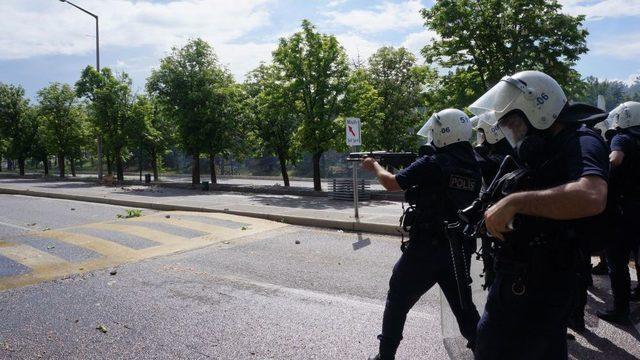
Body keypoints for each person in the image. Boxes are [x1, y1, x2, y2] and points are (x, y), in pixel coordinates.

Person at [467, 70, 609, 359]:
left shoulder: (581, 141)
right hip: (521, 272)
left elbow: (592, 195)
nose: (513, 133)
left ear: (538, 110)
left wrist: (516, 202)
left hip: (546, 277)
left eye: (513, 123)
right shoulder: (544, 149)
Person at [362, 108, 482, 360]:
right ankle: (486, 351)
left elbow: (391, 183)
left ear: (444, 132)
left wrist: (374, 166)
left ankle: (385, 356)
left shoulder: (433, 162)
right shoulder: (474, 164)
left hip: (426, 249)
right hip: (458, 249)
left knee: (398, 299)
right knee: (464, 308)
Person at [598, 101, 640, 323]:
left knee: (617, 260)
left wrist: (598, 174)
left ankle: (621, 309)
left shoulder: (621, 137)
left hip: (622, 210)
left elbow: (615, 159)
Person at [472, 114, 514, 290]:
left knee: (497, 268)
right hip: (500, 217)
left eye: (482, 133)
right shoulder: (508, 152)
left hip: (500, 219)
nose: (481, 138)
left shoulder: (500, 157)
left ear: (492, 132)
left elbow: (480, 165)